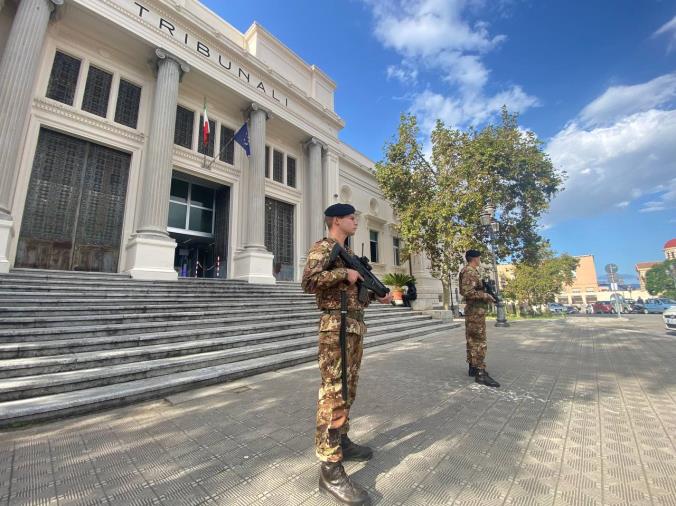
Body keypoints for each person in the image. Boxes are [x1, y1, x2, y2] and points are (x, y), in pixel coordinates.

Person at [301, 203, 392, 505]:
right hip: (335, 327)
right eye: (352, 218)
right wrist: (344, 272)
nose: (356, 222)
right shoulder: (324, 248)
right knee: (333, 394)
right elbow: (309, 281)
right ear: (336, 221)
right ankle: (330, 469)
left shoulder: (349, 253)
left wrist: (377, 295)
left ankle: (341, 439)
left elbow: (354, 291)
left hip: (353, 327)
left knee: (348, 390)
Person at [458, 250, 500, 388]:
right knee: (478, 341)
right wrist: (486, 296)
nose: (480, 259)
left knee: (472, 340)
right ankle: (480, 373)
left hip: (475, 311)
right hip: (475, 312)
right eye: (479, 257)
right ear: (475, 258)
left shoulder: (470, 271)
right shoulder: (469, 271)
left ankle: (473, 368)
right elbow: (468, 292)